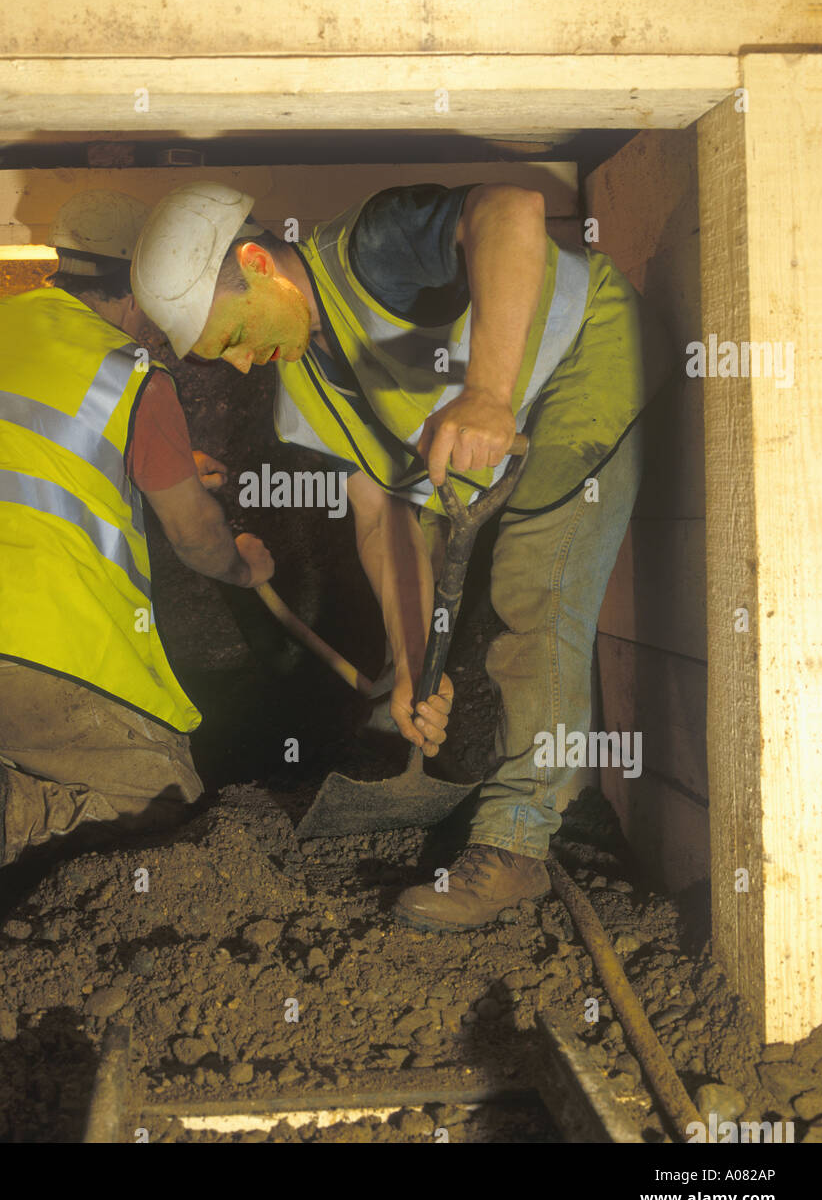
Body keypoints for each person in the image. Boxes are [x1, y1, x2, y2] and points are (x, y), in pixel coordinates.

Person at [130, 180, 669, 931]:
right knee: (465, 596)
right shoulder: (301, 388)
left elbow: (509, 209)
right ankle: (534, 784)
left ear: (257, 263)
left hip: (584, 364)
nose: (245, 364)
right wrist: (415, 668)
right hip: (488, 449)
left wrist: (486, 392)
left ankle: (516, 844)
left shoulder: (370, 248)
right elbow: (382, 520)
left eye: (231, 336)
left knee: (534, 596)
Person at [0, 189, 273, 911]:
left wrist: (149, 462)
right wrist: (244, 562)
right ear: (147, 282)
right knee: (170, 813)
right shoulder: (127, 372)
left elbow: (18, 450)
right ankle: (3, 814)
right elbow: (198, 542)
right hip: (51, 660)